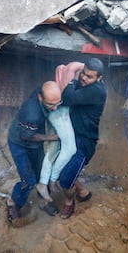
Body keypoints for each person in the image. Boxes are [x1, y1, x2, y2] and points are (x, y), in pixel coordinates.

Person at [6, 81, 62, 226]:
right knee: (28, 179)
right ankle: (13, 202)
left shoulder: (46, 92)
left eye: (58, 103)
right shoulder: (32, 113)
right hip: (20, 143)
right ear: (40, 98)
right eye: (51, 105)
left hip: (34, 143)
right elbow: (27, 136)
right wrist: (51, 137)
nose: (55, 108)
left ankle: (44, 200)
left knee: (42, 172)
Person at [57, 57, 107, 219]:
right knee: (61, 170)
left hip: (83, 142)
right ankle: (82, 191)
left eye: (89, 76)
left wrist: (71, 78)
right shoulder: (86, 85)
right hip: (71, 137)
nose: (84, 78)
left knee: (64, 180)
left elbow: (67, 98)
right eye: (83, 73)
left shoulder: (96, 91)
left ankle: (69, 203)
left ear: (99, 78)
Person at [35, 62, 83, 214]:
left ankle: (43, 183)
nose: (85, 79)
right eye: (85, 75)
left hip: (56, 112)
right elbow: (72, 67)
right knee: (70, 148)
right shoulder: (74, 70)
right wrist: (84, 70)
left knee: (54, 149)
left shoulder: (66, 73)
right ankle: (52, 179)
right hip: (59, 114)